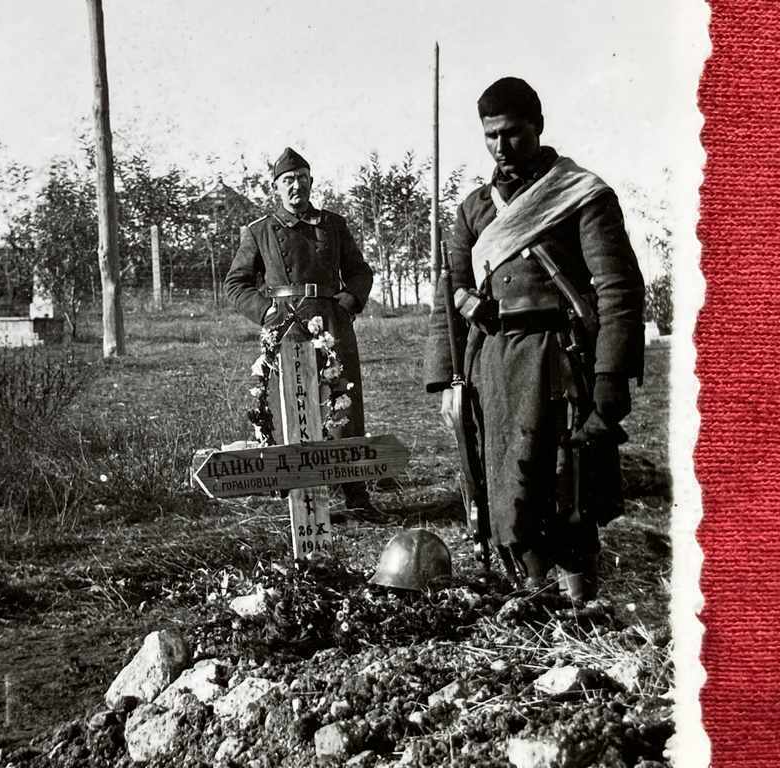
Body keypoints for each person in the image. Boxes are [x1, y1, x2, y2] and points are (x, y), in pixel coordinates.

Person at [424, 77, 645, 601]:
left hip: (558, 361)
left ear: (538, 126)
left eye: (513, 133)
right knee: (506, 489)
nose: (502, 147)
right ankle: (531, 596)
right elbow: (450, 292)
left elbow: (618, 288)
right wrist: (445, 381)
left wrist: (612, 376)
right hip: (493, 365)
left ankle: (579, 605)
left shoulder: (580, 194)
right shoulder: (474, 209)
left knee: (567, 487)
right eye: (490, 137)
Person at [224, 147, 386, 524]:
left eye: (301, 178)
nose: (296, 186)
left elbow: (361, 272)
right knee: (293, 407)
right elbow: (236, 284)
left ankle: (356, 494)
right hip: (285, 328)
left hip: (332, 326)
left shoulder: (333, 225)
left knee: (345, 405)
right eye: (287, 181)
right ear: (276, 188)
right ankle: (299, 494)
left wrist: (347, 303)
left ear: (312, 182)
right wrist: (266, 311)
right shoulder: (259, 231)